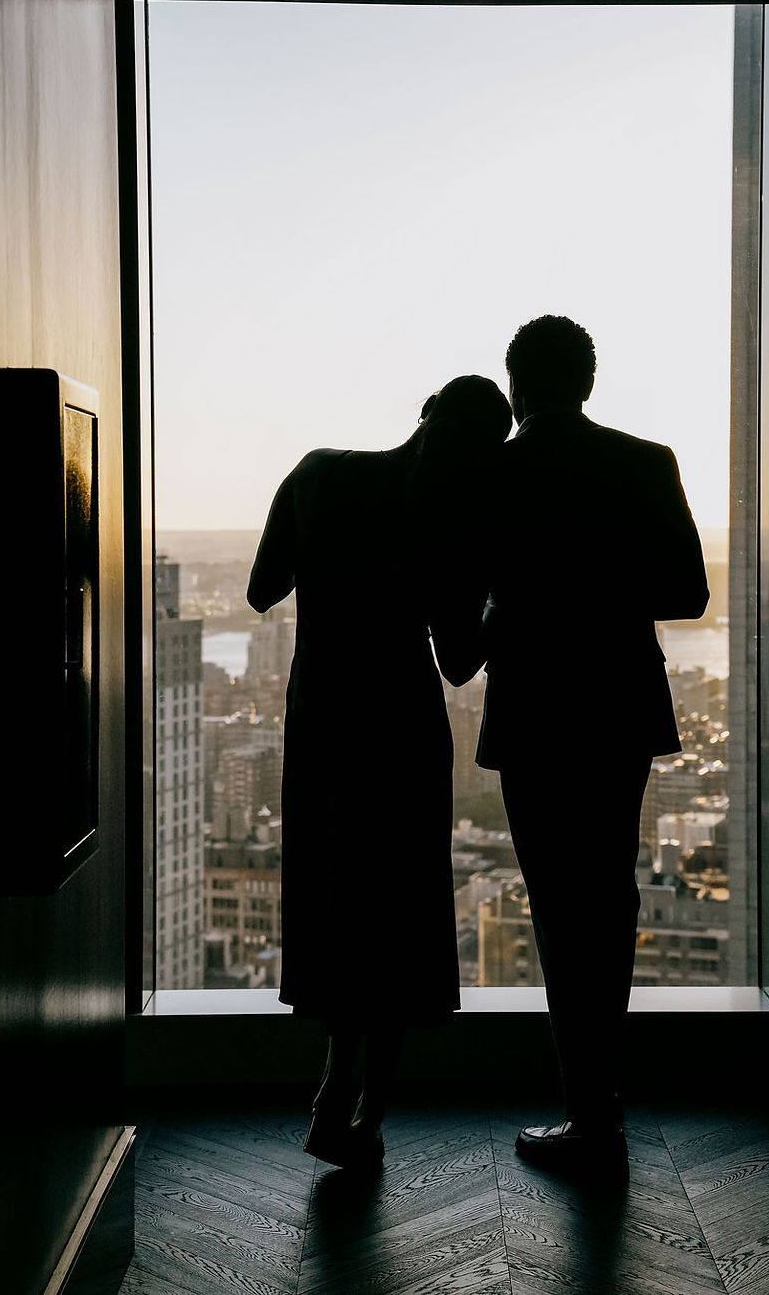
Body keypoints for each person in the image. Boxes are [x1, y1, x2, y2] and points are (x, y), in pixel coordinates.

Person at [247, 374, 512, 1168]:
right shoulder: (448, 520)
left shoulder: (319, 470)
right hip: (399, 726)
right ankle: (365, 1112)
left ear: (424, 410)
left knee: (337, 895)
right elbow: (461, 663)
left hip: (324, 719)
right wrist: (506, 586)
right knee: (398, 904)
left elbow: (263, 589)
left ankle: (333, 1090)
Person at [475, 315, 710, 1172]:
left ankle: (588, 1114)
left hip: (535, 706)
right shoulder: (646, 462)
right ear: (589, 380)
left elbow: (465, 622)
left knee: (555, 905)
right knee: (608, 900)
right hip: (616, 703)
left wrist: (520, 606)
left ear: (516, 384)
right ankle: (600, 1110)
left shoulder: (493, 472)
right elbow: (687, 592)